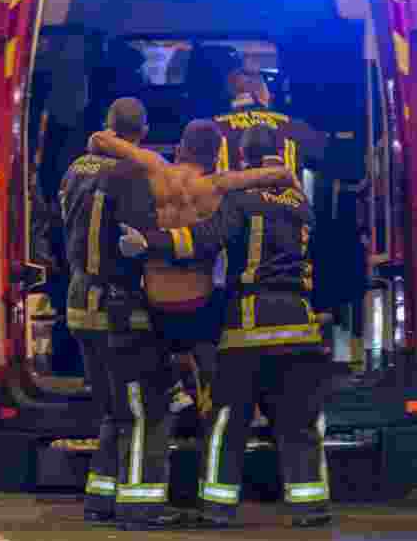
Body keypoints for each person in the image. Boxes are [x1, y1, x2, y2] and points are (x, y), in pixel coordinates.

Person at [119, 124, 333, 528]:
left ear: (244, 157)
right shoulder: (302, 203)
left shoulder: (241, 200)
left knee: (226, 421)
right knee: (299, 423)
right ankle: (311, 506)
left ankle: (217, 508)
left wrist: (151, 243)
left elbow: (207, 237)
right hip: (301, 328)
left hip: (249, 328)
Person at [87, 120, 299, 419]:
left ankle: (176, 386)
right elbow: (280, 175)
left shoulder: (155, 168)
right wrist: (284, 177)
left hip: (156, 303)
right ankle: (212, 401)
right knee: (222, 322)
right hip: (199, 305)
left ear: (182, 147)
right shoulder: (220, 184)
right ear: (215, 155)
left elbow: (98, 139)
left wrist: (106, 135)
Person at [59, 98, 182, 530]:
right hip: (119, 309)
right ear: (142, 132)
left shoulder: (76, 169)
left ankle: (101, 498)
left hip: (78, 303)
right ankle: (141, 506)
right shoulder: (132, 174)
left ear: (107, 127)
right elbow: (140, 239)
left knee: (113, 409)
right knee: (147, 408)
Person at [207, 48, 326, 176]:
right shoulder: (293, 127)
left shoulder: (208, 129)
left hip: (230, 194)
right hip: (282, 194)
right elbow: (329, 155)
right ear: (259, 89)